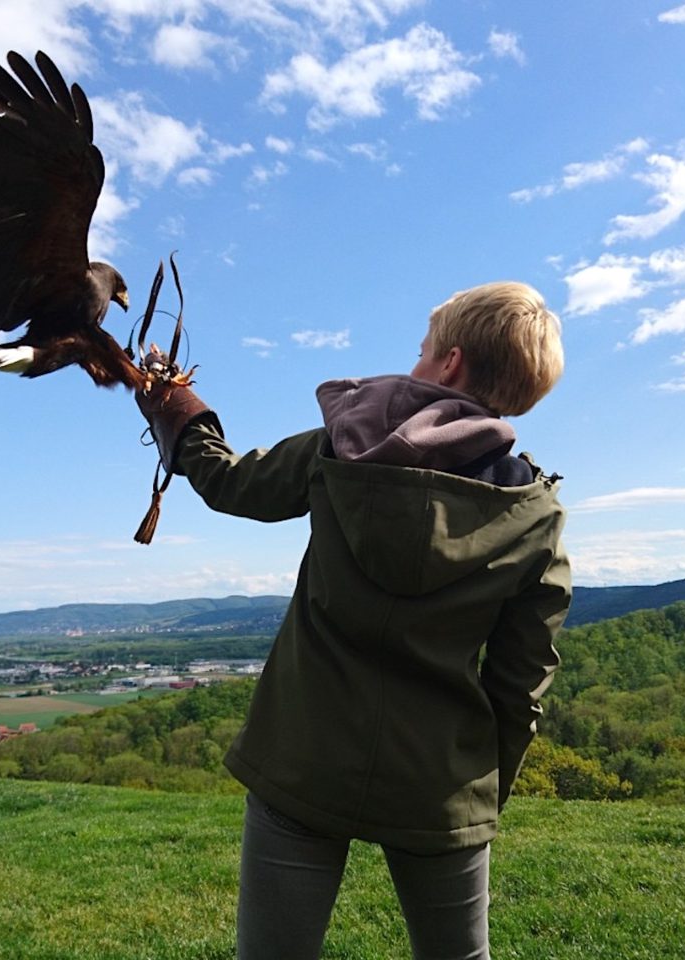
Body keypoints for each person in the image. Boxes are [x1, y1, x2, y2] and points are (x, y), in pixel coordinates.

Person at [136, 280, 572, 960]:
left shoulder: (338, 448)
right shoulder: (535, 515)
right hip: (441, 782)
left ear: (450, 364)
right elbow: (522, 685)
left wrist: (181, 413)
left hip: (303, 756)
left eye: (423, 350)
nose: (416, 360)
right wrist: (479, 791)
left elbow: (228, 482)